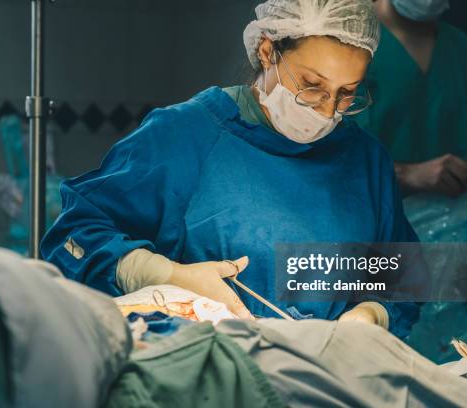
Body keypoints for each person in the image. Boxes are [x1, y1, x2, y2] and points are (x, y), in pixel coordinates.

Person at [41, 0, 420, 338]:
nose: (326, 111)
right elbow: (74, 236)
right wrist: (162, 275)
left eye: (346, 93)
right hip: (205, 374)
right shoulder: (187, 134)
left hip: (327, 382)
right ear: (268, 51)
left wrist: (374, 314)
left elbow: (403, 272)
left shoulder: (364, 160)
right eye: (311, 85)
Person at [357, 0, 467, 197]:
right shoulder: (340, 46)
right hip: (365, 223)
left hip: (458, 225)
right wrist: (405, 174)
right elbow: (317, 163)